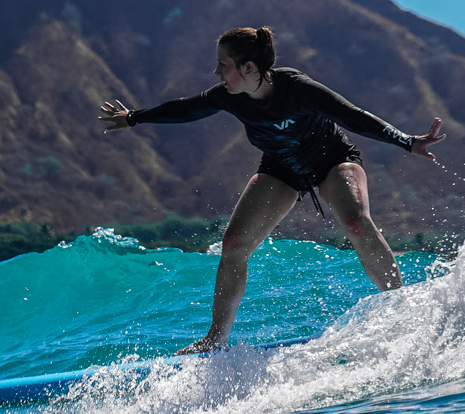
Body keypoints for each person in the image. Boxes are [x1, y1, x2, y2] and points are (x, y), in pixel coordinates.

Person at [99, 26, 446, 352]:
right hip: (280, 168)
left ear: (248, 67)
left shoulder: (298, 88)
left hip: (331, 159)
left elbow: (351, 115)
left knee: (355, 220)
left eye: (223, 64)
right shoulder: (229, 97)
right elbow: (185, 108)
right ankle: (216, 339)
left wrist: (407, 141)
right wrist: (134, 118)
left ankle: (401, 308)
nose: (217, 73)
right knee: (234, 244)